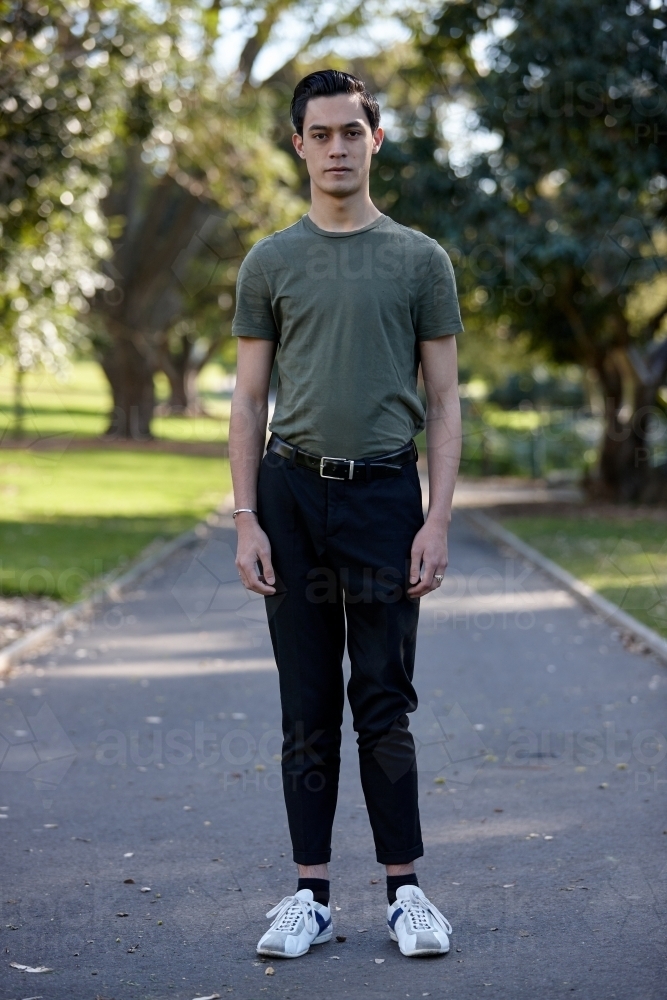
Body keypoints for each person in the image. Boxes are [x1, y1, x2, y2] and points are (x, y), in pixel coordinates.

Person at [229, 68, 463, 960]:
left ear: (374, 140)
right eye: (318, 134)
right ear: (298, 145)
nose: (335, 147)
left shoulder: (419, 260)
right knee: (305, 707)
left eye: (349, 133)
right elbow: (249, 402)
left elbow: (443, 403)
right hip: (288, 495)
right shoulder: (270, 261)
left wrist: (436, 517)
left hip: (380, 499)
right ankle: (310, 898)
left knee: (382, 701)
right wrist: (246, 517)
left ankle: (406, 893)